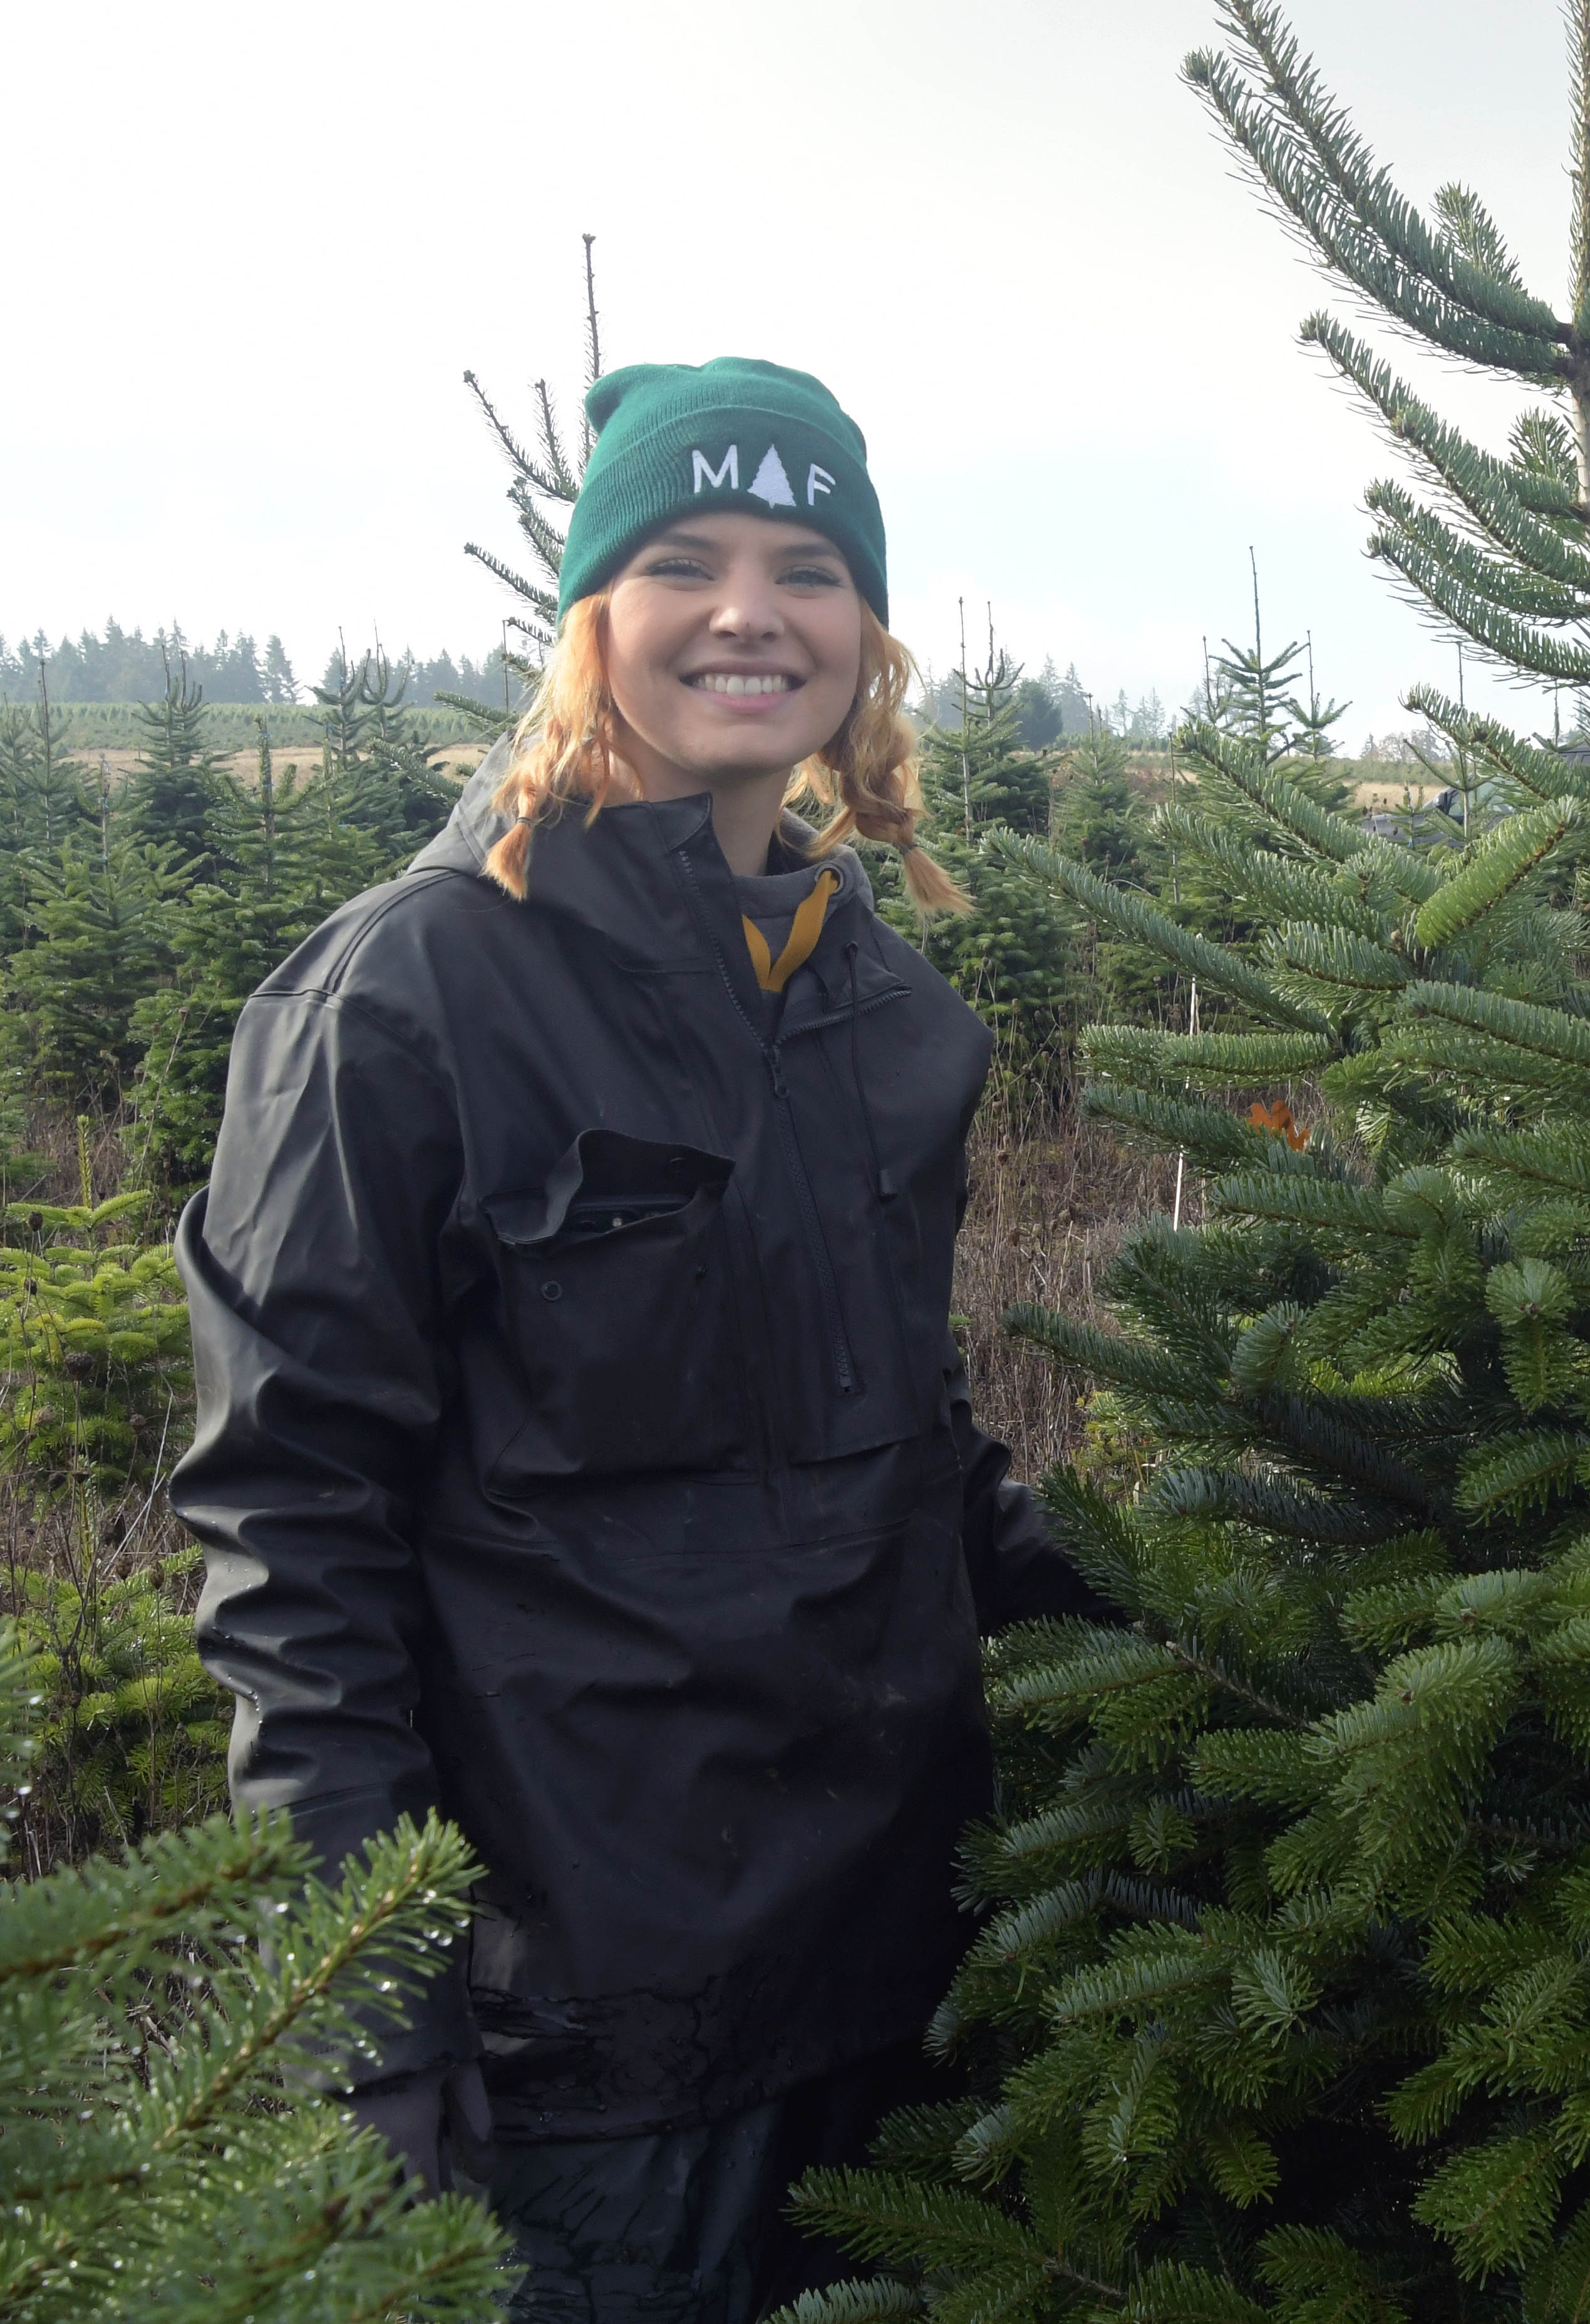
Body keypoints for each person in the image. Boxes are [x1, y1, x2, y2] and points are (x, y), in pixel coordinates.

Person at [175, 357, 1095, 2321]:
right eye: (685, 559)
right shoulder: (407, 997)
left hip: (904, 1979)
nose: (751, 611)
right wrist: (364, 2023)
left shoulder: (891, 1014)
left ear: (870, 636)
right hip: (584, 2056)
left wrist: (1235, 1608)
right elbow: (289, 1544)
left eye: (808, 565)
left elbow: (905, 1454)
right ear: (596, 622)